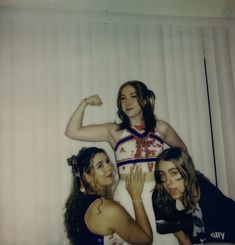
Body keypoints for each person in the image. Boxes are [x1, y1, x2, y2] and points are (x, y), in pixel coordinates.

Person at [65, 80, 187, 244]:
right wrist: (85, 103)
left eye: (133, 96)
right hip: (128, 194)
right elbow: (72, 131)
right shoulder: (115, 131)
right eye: (123, 98)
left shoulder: (161, 127)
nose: (127, 102)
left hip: (159, 194)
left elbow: (182, 153)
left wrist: (171, 177)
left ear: (144, 100)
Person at [64, 146, 152, 245]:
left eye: (107, 161)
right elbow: (146, 240)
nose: (109, 167)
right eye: (100, 165)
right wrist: (136, 197)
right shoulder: (106, 209)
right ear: (87, 176)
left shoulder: (78, 204)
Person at [152, 147, 235, 245]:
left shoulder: (211, 201)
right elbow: (183, 240)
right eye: (162, 174)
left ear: (187, 173)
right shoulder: (161, 196)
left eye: (174, 173)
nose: (167, 182)